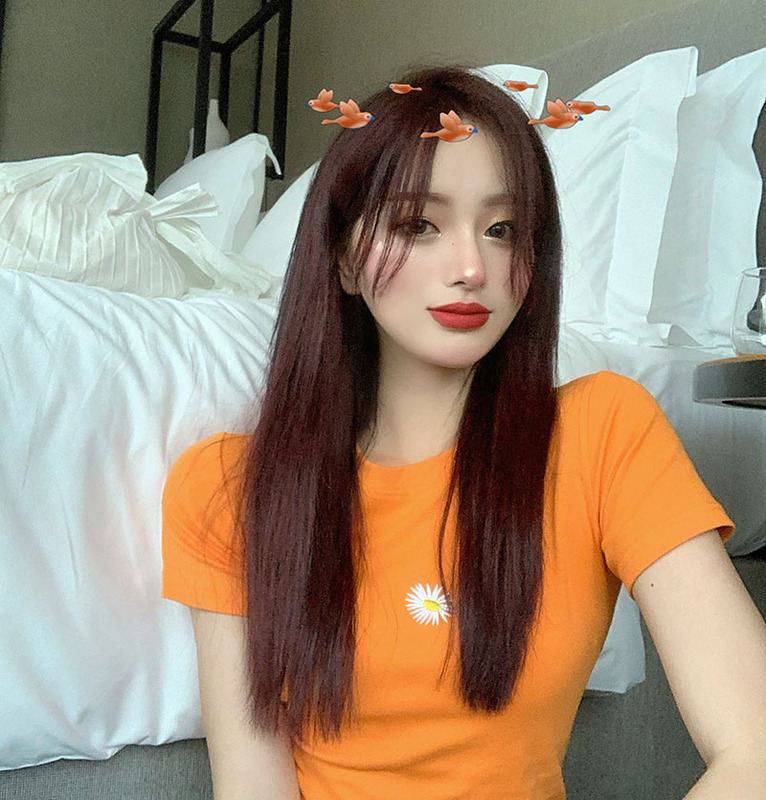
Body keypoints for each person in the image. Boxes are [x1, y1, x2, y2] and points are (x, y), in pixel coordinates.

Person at [161, 64, 766, 799]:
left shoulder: (603, 431)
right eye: (418, 224)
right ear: (344, 257)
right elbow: (252, 784)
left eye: (503, 230)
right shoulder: (227, 487)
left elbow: (756, 748)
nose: (473, 266)